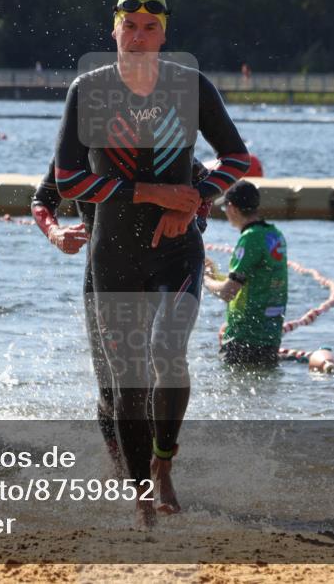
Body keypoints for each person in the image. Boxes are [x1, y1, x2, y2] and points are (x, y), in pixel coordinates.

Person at [54, 0, 250, 526]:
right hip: (112, 255)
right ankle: (142, 497)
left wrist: (193, 202)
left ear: (164, 36)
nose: (139, 38)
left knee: (168, 351)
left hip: (175, 250)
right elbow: (69, 179)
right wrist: (152, 192)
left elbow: (237, 159)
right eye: (130, 27)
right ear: (113, 29)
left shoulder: (191, 86)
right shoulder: (87, 92)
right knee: (128, 380)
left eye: (151, 28)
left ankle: (162, 469)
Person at [31, 158, 213, 476]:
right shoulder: (74, 150)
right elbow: (42, 200)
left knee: (158, 367)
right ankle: (123, 473)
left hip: (159, 266)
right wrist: (55, 232)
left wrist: (191, 219)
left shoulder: (152, 145)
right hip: (103, 274)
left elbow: (206, 184)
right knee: (111, 389)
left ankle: (159, 460)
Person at [203, 181, 287, 366]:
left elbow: (228, 292)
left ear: (232, 208)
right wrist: (214, 272)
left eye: (225, 207)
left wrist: (205, 278)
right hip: (270, 337)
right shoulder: (274, 235)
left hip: (244, 337)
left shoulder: (250, 238)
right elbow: (250, 282)